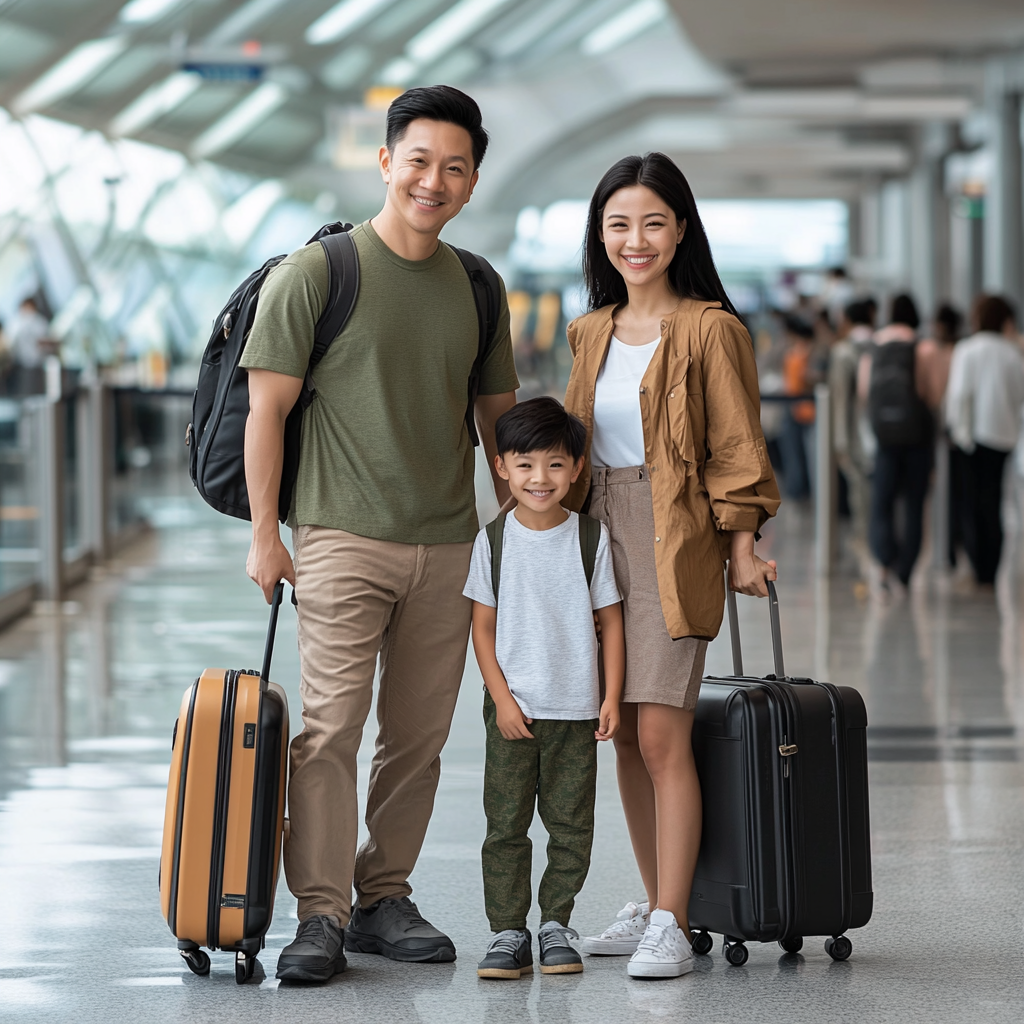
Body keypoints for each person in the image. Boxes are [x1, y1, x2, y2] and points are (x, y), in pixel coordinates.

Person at [240, 85, 519, 982]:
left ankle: (382, 895)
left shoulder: (477, 285)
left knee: (420, 736)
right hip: (339, 538)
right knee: (330, 729)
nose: (433, 181)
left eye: (455, 167)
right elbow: (266, 413)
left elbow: (498, 425)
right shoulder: (317, 273)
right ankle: (318, 912)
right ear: (386, 161)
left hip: (449, 545)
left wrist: (516, 540)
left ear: (473, 181)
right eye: (420, 161)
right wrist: (264, 536)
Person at [563, 152, 781, 979]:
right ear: (601, 236)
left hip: (674, 532)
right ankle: (661, 905)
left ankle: (671, 917)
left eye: (653, 222)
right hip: (595, 535)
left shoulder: (711, 327)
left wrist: (741, 545)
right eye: (618, 224)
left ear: (681, 228)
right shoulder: (590, 330)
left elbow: (734, 446)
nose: (635, 239)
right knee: (618, 731)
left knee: (662, 734)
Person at [463, 398, 625, 980]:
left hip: (577, 710)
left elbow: (610, 621)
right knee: (505, 824)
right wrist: (503, 700)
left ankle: (556, 923)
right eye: (525, 465)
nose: (540, 478)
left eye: (555, 465)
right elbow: (481, 628)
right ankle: (508, 931)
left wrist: (610, 696)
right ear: (502, 466)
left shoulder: (590, 538)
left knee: (571, 825)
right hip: (513, 713)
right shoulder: (494, 541)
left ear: (577, 468)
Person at [858, 293, 935, 593]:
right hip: (917, 437)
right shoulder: (922, 346)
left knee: (882, 501)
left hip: (885, 437)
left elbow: (865, 392)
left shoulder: (874, 346)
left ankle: (885, 561)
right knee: (915, 503)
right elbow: (928, 391)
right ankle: (906, 570)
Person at [946, 295, 1024, 585]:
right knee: (993, 501)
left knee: (971, 500)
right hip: (1003, 435)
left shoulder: (967, 350)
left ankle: (978, 563)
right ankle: (992, 564)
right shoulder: (1012, 353)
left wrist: (956, 429)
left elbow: (959, 394)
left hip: (971, 437)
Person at [830, 298, 877, 544]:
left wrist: (839, 441)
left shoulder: (843, 351)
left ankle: (865, 541)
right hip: (884, 431)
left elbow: (840, 399)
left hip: (855, 433)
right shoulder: (881, 344)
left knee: (859, 494)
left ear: (847, 321)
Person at [8, 296, 52, 395]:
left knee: (36, 392)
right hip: (20, 366)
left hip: (37, 366)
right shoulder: (17, 323)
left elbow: (45, 342)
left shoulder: (40, 323)